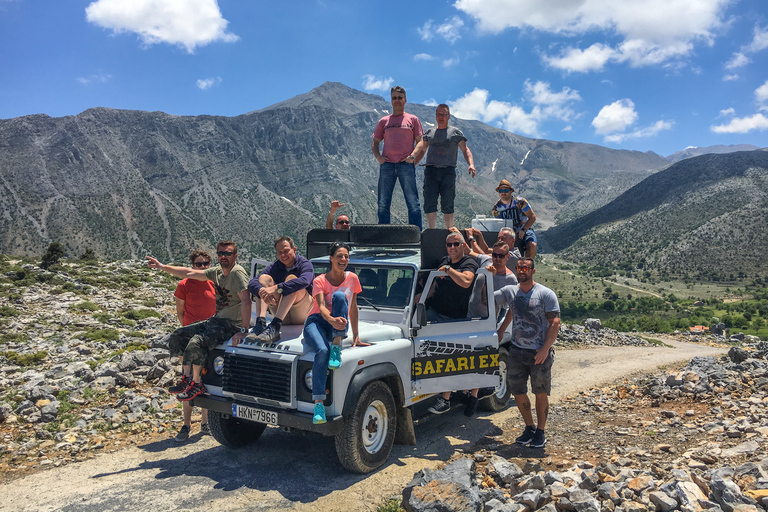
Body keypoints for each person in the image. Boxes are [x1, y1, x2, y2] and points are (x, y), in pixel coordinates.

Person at [145, 241, 250, 407]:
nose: (224, 256)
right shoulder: (217, 272)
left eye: (228, 253)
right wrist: (161, 266)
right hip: (216, 320)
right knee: (178, 335)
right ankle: (186, 378)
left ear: (235, 256)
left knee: (196, 342)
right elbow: (188, 272)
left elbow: (246, 300)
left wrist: (243, 330)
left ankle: (197, 382)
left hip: (230, 324)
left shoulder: (237, 273)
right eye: (221, 253)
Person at [495, 257, 560, 448]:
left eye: (526, 268)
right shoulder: (512, 292)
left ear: (533, 270)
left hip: (538, 353)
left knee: (540, 392)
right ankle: (529, 427)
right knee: (518, 391)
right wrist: (501, 330)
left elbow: (555, 322)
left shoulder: (545, 294)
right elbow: (511, 310)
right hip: (516, 350)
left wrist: (545, 349)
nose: (522, 270)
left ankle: (541, 431)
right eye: (519, 268)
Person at [303, 242, 364, 424]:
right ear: (331, 258)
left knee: (339, 296)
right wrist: (332, 320)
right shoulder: (319, 280)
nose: (343, 259)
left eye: (346, 256)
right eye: (339, 256)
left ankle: (336, 346)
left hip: (337, 325)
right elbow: (321, 307)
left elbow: (353, 307)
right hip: (317, 321)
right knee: (322, 351)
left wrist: (356, 335)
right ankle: (319, 405)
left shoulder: (352, 278)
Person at [424, 231, 478, 416]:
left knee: (449, 358)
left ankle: (445, 400)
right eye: (449, 245)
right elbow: (434, 285)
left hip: (456, 319)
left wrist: (448, 270)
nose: (453, 248)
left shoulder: (468, 263)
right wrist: (420, 299)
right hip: (435, 312)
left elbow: (466, 281)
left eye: (456, 244)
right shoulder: (444, 260)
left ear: (463, 245)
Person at [172, 249, 216, 441]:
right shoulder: (184, 284)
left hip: (208, 338)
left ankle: (205, 423)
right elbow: (180, 313)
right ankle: (186, 425)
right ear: (192, 266)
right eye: (199, 264)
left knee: (205, 382)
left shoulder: (214, 283)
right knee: (189, 380)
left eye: (206, 263)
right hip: (191, 337)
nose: (203, 267)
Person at [411, 104, 476, 229]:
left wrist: (471, 164)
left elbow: (465, 150)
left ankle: (449, 231)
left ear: (448, 116)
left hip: (448, 171)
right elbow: (423, 151)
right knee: (429, 202)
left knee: (448, 202)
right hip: (431, 171)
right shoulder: (430, 132)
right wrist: (413, 165)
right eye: (439, 114)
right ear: (436, 116)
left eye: (444, 114)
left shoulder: (456, 132)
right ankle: (431, 231)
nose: (441, 117)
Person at [371, 85, 424, 229]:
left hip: (405, 165)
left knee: (413, 203)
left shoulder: (412, 119)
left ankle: (416, 237)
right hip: (387, 165)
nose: (397, 100)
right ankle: (384, 236)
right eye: (394, 98)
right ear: (391, 100)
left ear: (405, 100)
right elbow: (375, 142)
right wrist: (378, 157)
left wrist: (412, 157)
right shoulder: (384, 121)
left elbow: (421, 142)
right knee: (383, 203)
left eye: (400, 98)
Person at [248, 236, 314, 344]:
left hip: (302, 312)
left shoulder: (305, 264)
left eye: (286, 251)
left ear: (294, 249)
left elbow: (305, 281)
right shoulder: (275, 266)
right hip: (282, 312)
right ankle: (260, 323)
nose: (283, 255)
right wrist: (263, 291)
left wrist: (276, 288)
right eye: (280, 252)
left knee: (292, 279)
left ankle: (275, 326)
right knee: (263, 279)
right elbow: (252, 283)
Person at [491, 180, 538, 258]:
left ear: (511, 191)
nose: (503, 193)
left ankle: (526, 265)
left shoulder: (520, 202)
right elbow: (498, 224)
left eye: (506, 190)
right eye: (500, 191)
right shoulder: (496, 208)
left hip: (524, 229)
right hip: (508, 233)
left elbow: (532, 217)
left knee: (532, 245)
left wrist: (524, 230)